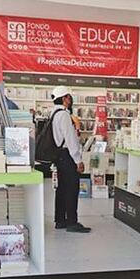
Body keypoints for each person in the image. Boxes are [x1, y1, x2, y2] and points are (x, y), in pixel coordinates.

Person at [50, 86, 91, 233]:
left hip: (59, 156)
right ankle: (72, 222)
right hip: (68, 156)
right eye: (68, 96)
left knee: (61, 189)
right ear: (64, 98)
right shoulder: (64, 115)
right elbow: (71, 139)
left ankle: (60, 220)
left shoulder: (53, 113)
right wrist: (78, 160)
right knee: (72, 189)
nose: (70, 99)